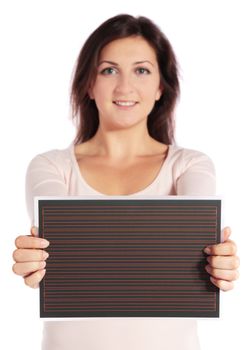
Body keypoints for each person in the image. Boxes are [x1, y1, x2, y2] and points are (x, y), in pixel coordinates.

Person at [12, 14, 239, 350]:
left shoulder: (190, 166)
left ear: (161, 85)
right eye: (109, 70)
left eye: (142, 70)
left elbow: (194, 241)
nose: (124, 87)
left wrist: (218, 261)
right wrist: (35, 261)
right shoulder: (50, 167)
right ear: (89, 83)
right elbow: (55, 247)